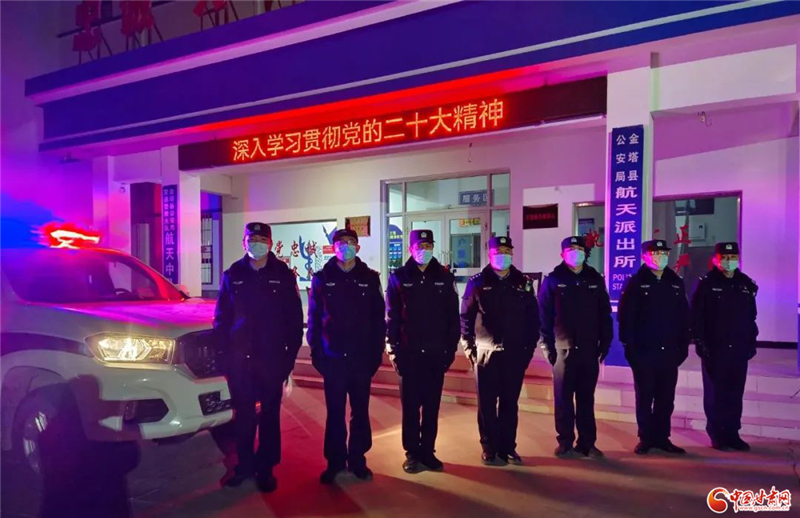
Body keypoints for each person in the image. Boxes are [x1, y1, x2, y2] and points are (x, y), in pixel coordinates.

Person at [213, 222, 303, 492]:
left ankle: (266, 468)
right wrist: (224, 355)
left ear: (271, 243)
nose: (257, 244)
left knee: (269, 416)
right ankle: (243, 466)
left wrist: (288, 360)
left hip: (272, 359)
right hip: (240, 360)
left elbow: (294, 320)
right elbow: (221, 319)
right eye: (252, 239)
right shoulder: (233, 274)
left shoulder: (283, 274)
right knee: (243, 416)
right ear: (244, 243)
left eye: (262, 239)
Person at [307, 228, 386, 484]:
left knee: (360, 412)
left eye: (351, 242)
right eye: (341, 243)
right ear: (333, 248)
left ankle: (358, 460)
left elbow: (378, 319)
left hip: (361, 358)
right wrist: (317, 353)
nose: (346, 246)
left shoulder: (370, 278)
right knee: (335, 412)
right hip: (333, 358)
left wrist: (376, 353)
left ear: (358, 247)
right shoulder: (322, 278)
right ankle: (335, 461)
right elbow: (314, 319)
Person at [385, 229, 460, 474]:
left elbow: (453, 317)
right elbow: (392, 317)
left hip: (436, 354)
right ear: (410, 249)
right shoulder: (398, 277)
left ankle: (428, 451)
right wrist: (394, 350)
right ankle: (412, 453)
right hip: (409, 354)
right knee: (410, 408)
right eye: (420, 246)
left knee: (431, 406)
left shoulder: (444, 277)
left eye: (428, 246)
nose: (424, 250)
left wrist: (450, 350)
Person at [461, 236, 539, 466]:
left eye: (507, 251)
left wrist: (528, 350)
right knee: (486, 404)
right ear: (490, 254)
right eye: (498, 251)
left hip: (514, 354)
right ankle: (489, 447)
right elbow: (466, 317)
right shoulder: (477, 282)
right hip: (486, 353)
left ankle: (508, 447)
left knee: (509, 403)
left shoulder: (522, 282)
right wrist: (470, 348)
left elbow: (533, 319)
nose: (503, 255)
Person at [538, 236, 613, 458]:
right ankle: (565, 442)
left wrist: (605, 342)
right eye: (571, 249)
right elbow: (544, 315)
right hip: (563, 349)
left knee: (586, 399)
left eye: (580, 249)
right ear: (563, 254)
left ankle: (587, 443)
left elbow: (604, 313)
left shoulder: (594, 278)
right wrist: (547, 345)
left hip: (589, 348)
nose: (576, 252)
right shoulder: (553, 280)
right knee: (563, 398)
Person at [618, 239, 690, 455]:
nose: (660, 257)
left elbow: (684, 316)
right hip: (644, 351)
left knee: (666, 398)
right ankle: (646, 438)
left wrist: (683, 346)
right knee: (645, 396)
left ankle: (662, 437)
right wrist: (630, 348)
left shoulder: (675, 282)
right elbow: (626, 317)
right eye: (655, 254)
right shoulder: (636, 283)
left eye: (663, 254)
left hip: (669, 350)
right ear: (644, 257)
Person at [691, 242, 758, 451]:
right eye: (725, 257)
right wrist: (700, 342)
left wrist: (751, 341)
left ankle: (732, 433)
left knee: (735, 392)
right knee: (716, 393)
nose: (729, 261)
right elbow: (697, 317)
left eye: (733, 257)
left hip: (738, 347)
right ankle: (717, 434)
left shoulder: (745, 283)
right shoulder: (707, 284)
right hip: (715, 348)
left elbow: (751, 316)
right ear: (715, 259)